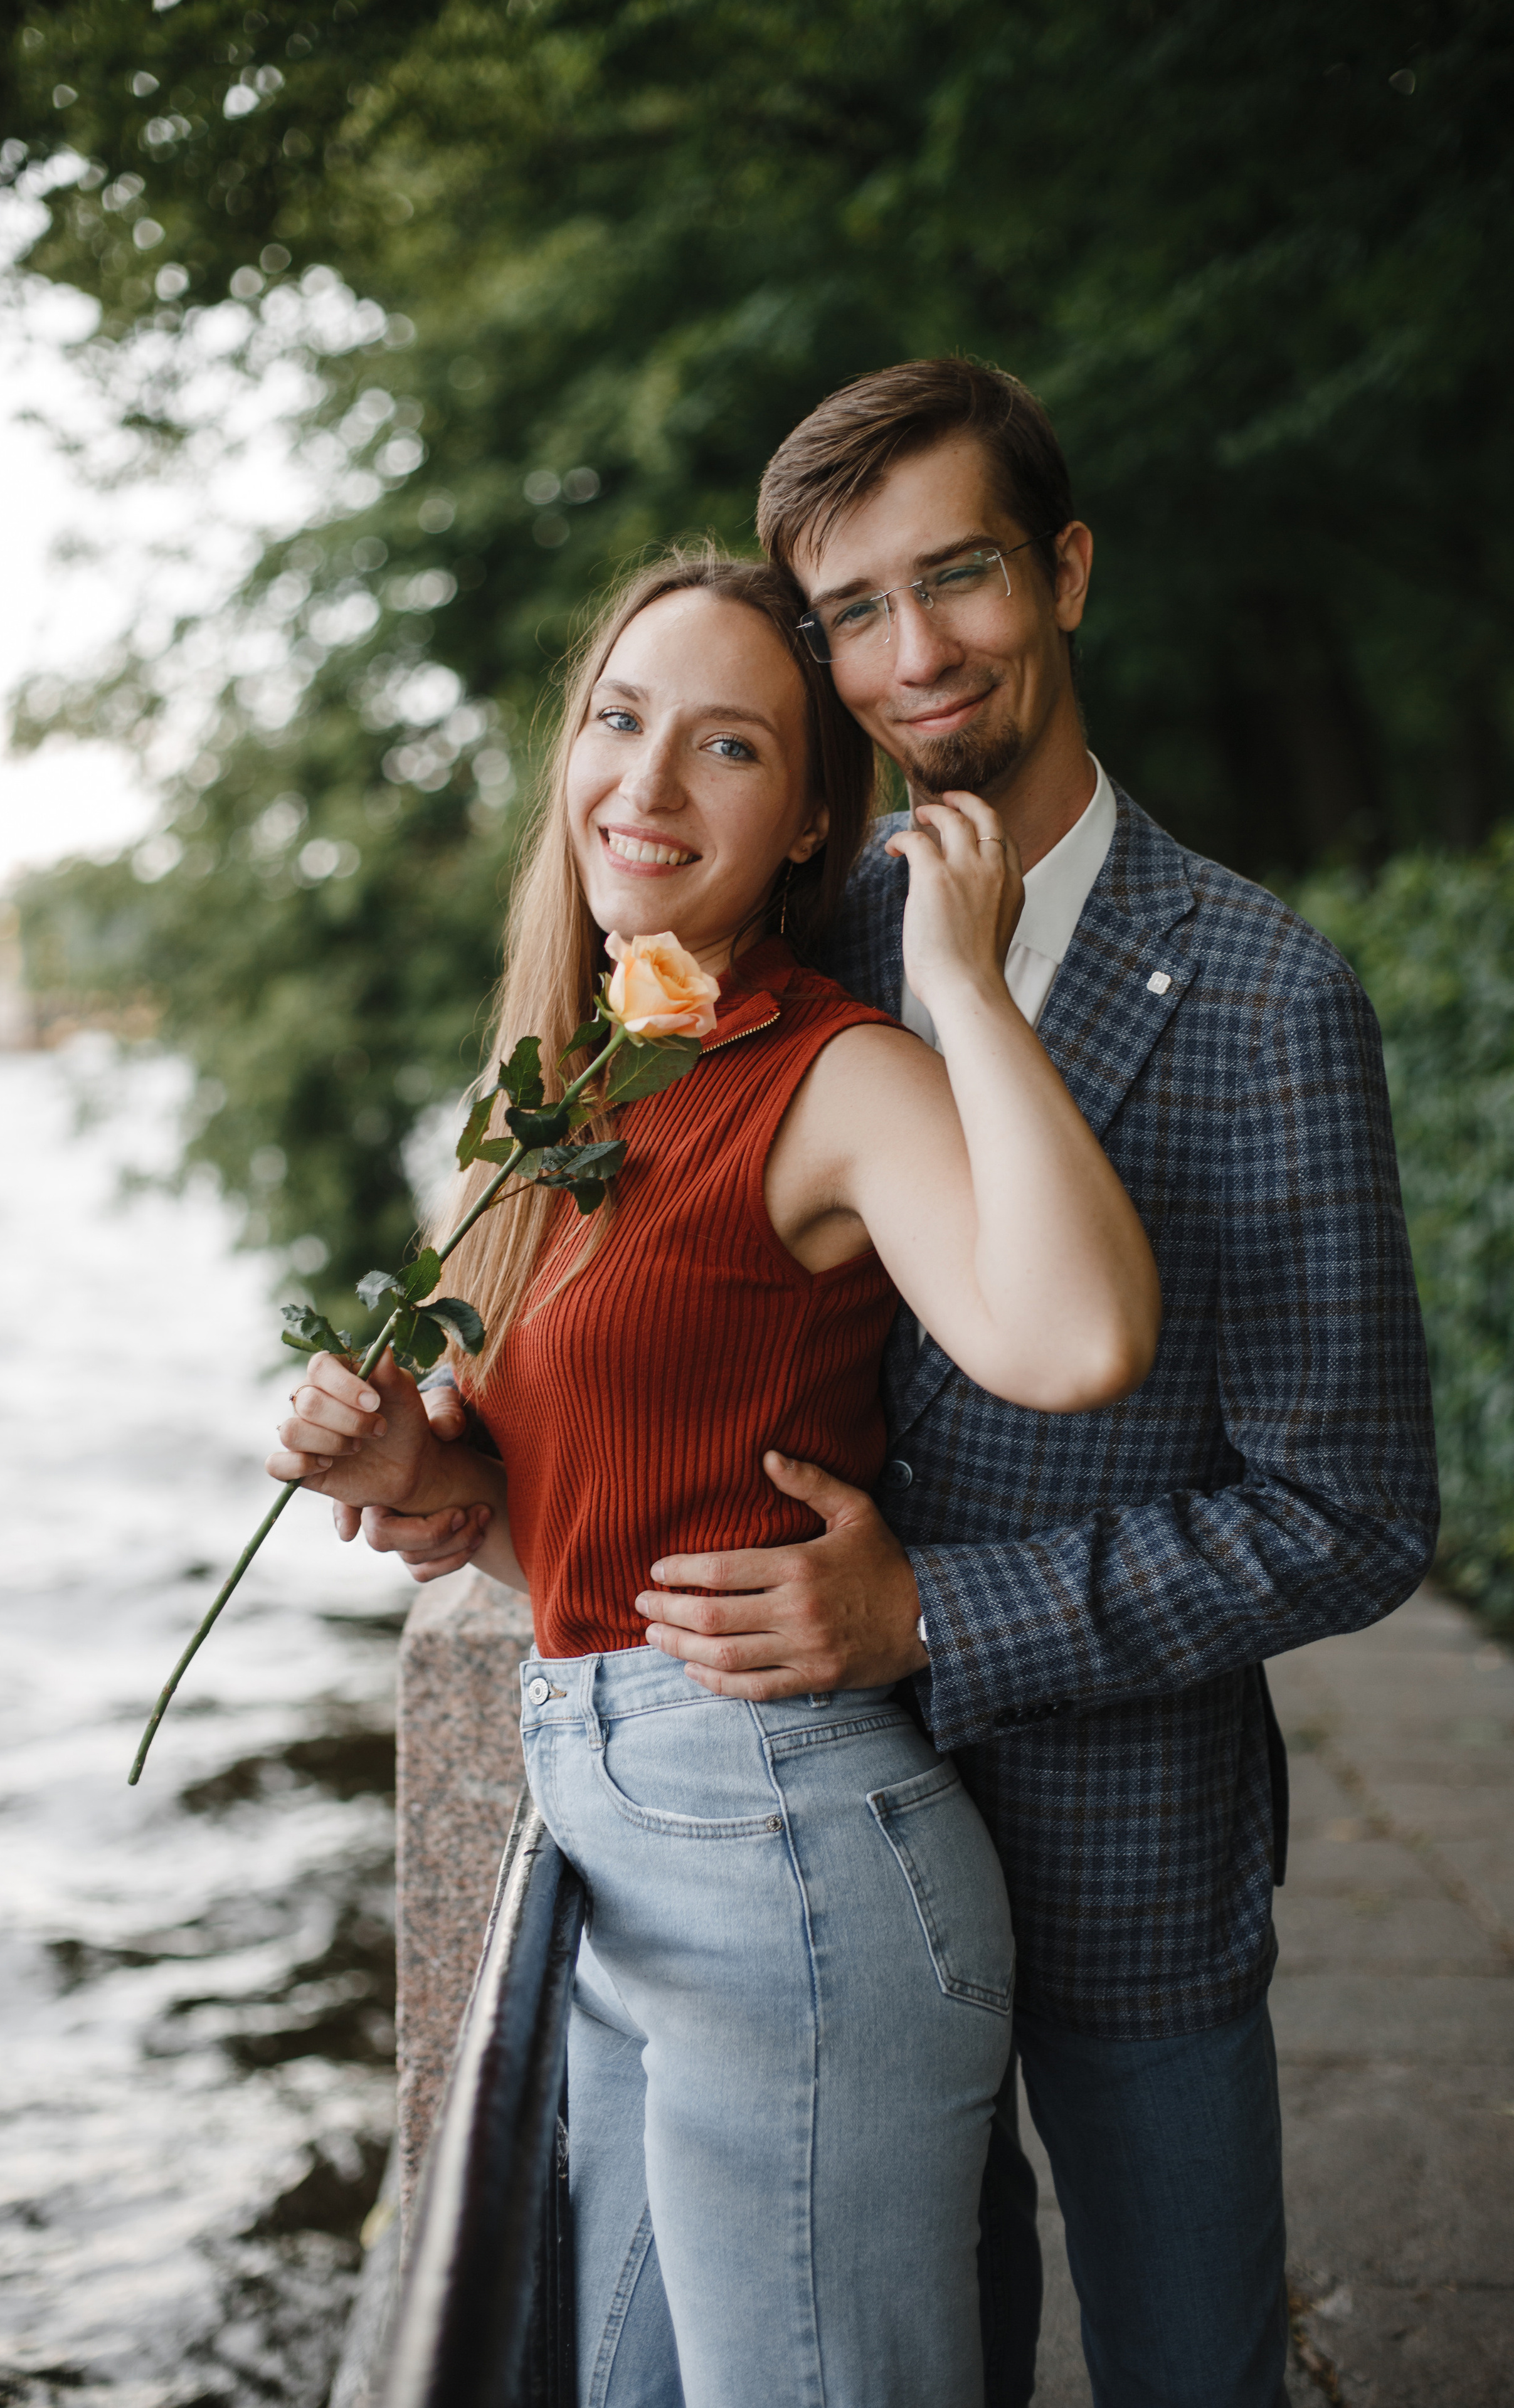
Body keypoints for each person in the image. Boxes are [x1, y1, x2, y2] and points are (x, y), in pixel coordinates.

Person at [372, 362, 1441, 2408]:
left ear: (1066, 573)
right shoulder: (782, 929)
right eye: (853, 608)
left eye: (956, 577)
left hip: (1128, 1853)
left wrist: (933, 1610)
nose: (912, 646)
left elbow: (1355, 1512)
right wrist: (445, 1464)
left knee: (1185, 2371)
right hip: (804, 1854)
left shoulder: (1268, 994)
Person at [272, 546, 1161, 2406]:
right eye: (619, 720)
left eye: (729, 747)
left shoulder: (831, 1076)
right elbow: (505, 1526)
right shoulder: (545, 1094)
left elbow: (1075, 1344)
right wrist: (396, 1448)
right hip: (619, 1843)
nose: (648, 785)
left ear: (809, 816)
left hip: (786, 1862)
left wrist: (962, 984)